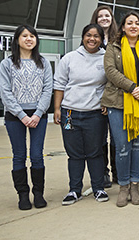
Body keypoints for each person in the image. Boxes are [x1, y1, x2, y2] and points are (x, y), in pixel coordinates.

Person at [102, 11, 139, 207]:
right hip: (118, 103)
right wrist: (132, 87)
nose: (133, 26)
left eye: (137, 23)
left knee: (138, 145)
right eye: (129, 23)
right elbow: (110, 71)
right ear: (123, 27)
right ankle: (124, 186)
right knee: (122, 147)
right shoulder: (113, 46)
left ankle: (135, 184)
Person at [53, 24, 109, 205]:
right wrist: (57, 108)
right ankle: (74, 190)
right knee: (74, 154)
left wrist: (106, 102)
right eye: (88, 35)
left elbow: (112, 84)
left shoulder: (106, 59)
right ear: (83, 37)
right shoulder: (69, 58)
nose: (92, 39)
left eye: (96, 36)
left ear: (101, 39)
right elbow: (59, 85)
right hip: (69, 114)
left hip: (95, 114)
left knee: (95, 152)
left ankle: (98, 188)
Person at [0, 25, 53, 210]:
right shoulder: (7, 63)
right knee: (19, 156)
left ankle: (38, 193)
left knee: (37, 155)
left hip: (39, 115)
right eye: (24, 36)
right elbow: (5, 92)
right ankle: (23, 195)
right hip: (15, 117)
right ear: (17, 39)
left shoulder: (44, 63)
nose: (29, 39)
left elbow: (48, 89)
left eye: (32, 36)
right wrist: (22, 115)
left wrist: (37, 114)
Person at [91, 5, 118, 187]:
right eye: (100, 16)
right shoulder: (92, 40)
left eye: (107, 15)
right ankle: (103, 173)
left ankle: (118, 171)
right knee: (101, 139)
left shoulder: (119, 40)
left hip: (116, 95)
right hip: (96, 97)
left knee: (117, 138)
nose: (104, 18)